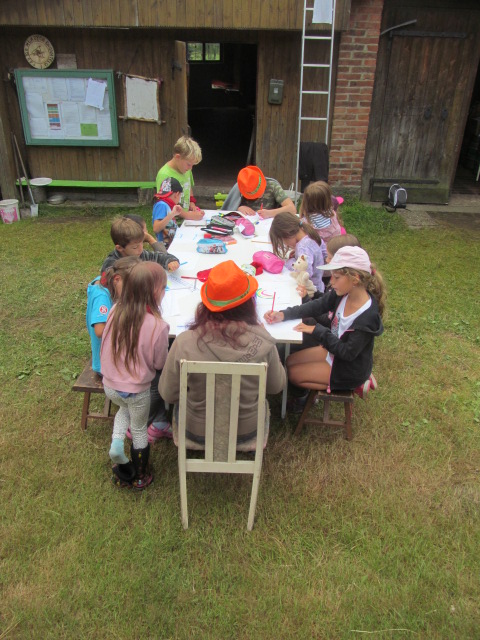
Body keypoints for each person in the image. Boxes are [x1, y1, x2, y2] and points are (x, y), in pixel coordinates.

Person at [158, 260, 286, 449]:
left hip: (196, 429)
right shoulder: (263, 342)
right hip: (246, 431)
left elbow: (168, 393)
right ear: (248, 303)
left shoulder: (184, 343)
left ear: (206, 304)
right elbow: (276, 386)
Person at [264, 247, 385, 404]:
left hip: (349, 367)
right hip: (334, 351)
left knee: (293, 375)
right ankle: (312, 383)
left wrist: (317, 331)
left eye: (336, 277)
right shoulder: (343, 293)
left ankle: (351, 385)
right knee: (289, 362)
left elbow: (347, 353)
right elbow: (317, 306)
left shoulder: (368, 318)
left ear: (355, 279)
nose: (331, 282)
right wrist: (283, 314)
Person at [101, 262, 170, 490]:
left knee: (124, 409)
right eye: (164, 288)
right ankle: (140, 476)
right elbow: (160, 364)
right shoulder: (158, 325)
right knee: (139, 429)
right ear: (155, 292)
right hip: (136, 390)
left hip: (111, 386)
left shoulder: (115, 310)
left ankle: (116, 444)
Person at [86, 256, 139, 374]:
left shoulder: (106, 281)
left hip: (114, 354)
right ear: (117, 279)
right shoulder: (102, 297)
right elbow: (99, 331)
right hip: (106, 364)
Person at [269, 211, 327, 295]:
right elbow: (324, 252)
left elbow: (305, 273)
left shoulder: (303, 247)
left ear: (288, 234)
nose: (286, 245)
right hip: (318, 285)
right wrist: (297, 255)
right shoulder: (308, 233)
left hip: (311, 292)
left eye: (283, 241)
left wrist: (290, 262)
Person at [100, 216, 180, 274]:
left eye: (142, 243)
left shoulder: (142, 254)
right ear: (120, 248)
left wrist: (170, 261)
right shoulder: (112, 265)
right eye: (135, 247)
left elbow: (161, 256)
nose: (140, 249)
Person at [155, 135, 204, 217]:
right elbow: (166, 203)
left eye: (193, 165)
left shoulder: (186, 169)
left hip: (185, 219)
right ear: (178, 157)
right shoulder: (165, 175)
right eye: (189, 164)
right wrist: (189, 216)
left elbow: (188, 186)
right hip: (172, 221)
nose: (191, 168)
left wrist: (191, 202)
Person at [152, 177, 188, 246]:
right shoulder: (162, 205)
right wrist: (172, 214)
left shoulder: (166, 204)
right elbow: (156, 228)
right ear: (177, 194)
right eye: (180, 196)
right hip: (165, 248)